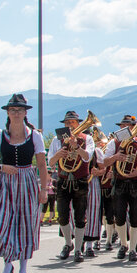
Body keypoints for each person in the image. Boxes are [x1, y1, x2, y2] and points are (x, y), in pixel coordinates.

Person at [0, 94, 49, 273]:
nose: (16, 113)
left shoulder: (34, 135)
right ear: (8, 112)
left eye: (20, 110)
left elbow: (42, 165)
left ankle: (23, 270)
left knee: (25, 225)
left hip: (27, 181)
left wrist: (43, 189)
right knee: (0, 222)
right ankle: (7, 261)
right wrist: (2, 168)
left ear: (25, 113)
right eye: (13, 110)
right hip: (5, 182)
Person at [103, 114, 137, 262]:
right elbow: (105, 162)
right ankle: (123, 244)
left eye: (130, 126)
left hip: (135, 183)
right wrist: (115, 158)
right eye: (123, 126)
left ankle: (132, 248)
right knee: (119, 217)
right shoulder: (114, 143)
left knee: (135, 217)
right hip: (119, 182)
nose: (126, 128)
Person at [47, 111, 95, 263]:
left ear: (78, 124)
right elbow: (50, 162)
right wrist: (59, 155)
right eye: (67, 123)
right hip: (63, 180)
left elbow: (88, 157)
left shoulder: (87, 138)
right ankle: (68, 243)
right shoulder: (57, 139)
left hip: (80, 180)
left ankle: (79, 249)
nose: (69, 125)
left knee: (80, 216)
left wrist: (77, 147)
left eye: (72, 122)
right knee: (62, 216)